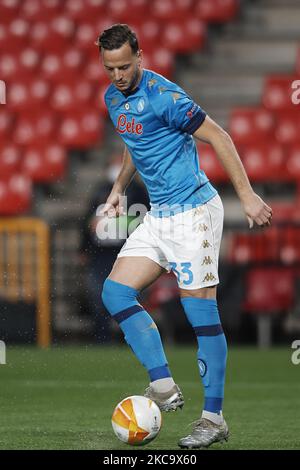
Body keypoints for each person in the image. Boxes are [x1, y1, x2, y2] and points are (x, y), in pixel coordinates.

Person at [96, 24, 273, 449]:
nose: (118, 75)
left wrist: (247, 196)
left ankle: (213, 418)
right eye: (110, 68)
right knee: (115, 293)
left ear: (140, 55)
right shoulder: (112, 99)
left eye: (124, 65)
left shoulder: (166, 97)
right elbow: (133, 141)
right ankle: (162, 385)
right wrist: (119, 189)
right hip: (159, 215)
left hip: (194, 213)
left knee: (200, 316)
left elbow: (219, 135)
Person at [79, 156, 149, 343]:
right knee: (98, 295)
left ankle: (131, 336)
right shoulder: (100, 190)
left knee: (127, 294)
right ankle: (102, 337)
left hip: (126, 251)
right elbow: (88, 220)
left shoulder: (138, 191)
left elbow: (144, 217)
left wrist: (114, 223)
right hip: (100, 253)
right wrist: (84, 247)